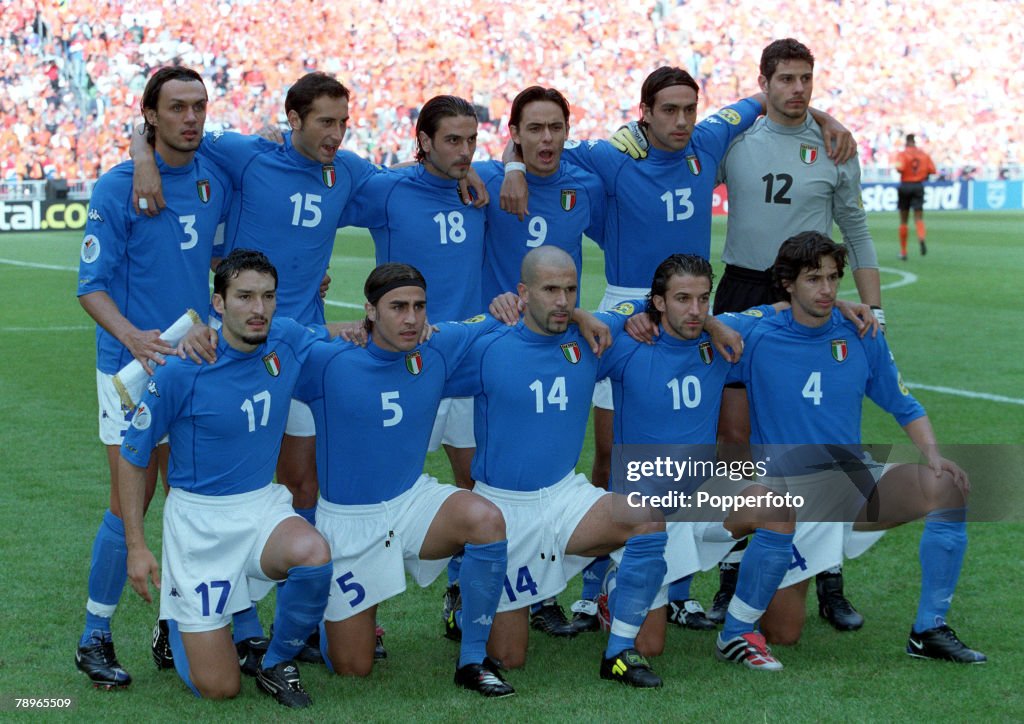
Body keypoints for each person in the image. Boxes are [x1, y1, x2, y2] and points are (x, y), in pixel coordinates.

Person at [131, 71, 383, 659]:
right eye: (325, 121)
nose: (337, 134)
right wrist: (143, 155)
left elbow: (420, 177)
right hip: (236, 351)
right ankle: (188, 617)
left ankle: (307, 616)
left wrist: (506, 162)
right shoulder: (247, 152)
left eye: (344, 122)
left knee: (303, 482)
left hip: (302, 348)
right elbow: (168, 128)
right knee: (225, 487)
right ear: (291, 120)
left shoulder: (349, 171)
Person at [599, 253, 876, 663]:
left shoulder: (723, 334)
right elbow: (570, 323)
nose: (695, 311)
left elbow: (787, 308)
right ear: (658, 302)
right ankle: (616, 586)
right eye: (681, 299)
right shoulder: (627, 344)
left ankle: (738, 632)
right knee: (648, 648)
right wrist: (628, 314)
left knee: (774, 506)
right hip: (644, 514)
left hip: (700, 498)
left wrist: (839, 303)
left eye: (703, 299)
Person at [734, 231, 985, 666]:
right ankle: (771, 568)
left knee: (947, 488)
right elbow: (692, 329)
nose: (828, 290)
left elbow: (904, 404)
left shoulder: (861, 333)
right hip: (788, 494)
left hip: (853, 482)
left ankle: (929, 629)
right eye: (814, 279)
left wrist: (932, 454)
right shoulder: (755, 335)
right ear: (787, 283)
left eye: (833, 278)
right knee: (783, 634)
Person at [710, 38, 884, 631]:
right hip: (743, 290)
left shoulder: (835, 146)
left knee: (823, 436)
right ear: (763, 82)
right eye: (785, 78)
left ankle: (829, 574)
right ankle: (738, 563)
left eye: (806, 78)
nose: (798, 89)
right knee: (736, 436)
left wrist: (875, 312)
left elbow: (856, 230)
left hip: (812, 296)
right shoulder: (734, 140)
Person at [119, 250, 339, 709]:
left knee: (314, 554)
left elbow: (332, 335)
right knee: (219, 689)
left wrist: (366, 327)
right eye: (244, 297)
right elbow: (133, 455)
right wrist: (137, 547)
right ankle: (173, 623)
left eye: (267, 297)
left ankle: (277, 661)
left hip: (261, 508)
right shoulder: (181, 369)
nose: (258, 309)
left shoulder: (287, 339)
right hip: (199, 525)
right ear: (218, 304)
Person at [446, 246, 668, 688]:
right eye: (550, 290)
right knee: (508, 659)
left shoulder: (590, 341)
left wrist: (590, 315)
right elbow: (418, 347)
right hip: (503, 509)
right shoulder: (488, 348)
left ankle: (619, 652)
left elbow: (644, 302)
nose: (563, 300)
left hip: (566, 497)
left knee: (645, 518)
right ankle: (466, 597)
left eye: (570, 290)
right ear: (523, 293)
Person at [75, 65, 231, 689]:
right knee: (128, 504)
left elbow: (217, 260)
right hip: (132, 371)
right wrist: (134, 337)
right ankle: (94, 634)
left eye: (199, 106)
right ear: (151, 115)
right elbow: (90, 288)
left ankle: (173, 625)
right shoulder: (117, 188)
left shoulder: (213, 179)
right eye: (177, 108)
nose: (190, 118)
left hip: (193, 368)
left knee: (188, 497)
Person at [293, 263, 517, 696]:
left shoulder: (437, 346)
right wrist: (333, 327)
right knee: (352, 668)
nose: (412, 319)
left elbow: (504, 319)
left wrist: (505, 304)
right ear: (371, 312)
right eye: (398, 307)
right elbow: (270, 345)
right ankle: (321, 615)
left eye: (419, 307)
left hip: (412, 502)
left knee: (486, 519)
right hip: (349, 521)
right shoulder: (329, 360)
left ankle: (472, 660)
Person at [469, 85, 606, 637]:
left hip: (560, 337)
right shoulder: (484, 178)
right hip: (498, 342)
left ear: (567, 133)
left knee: (555, 460)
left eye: (556, 128)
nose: (546, 138)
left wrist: (580, 314)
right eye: (534, 129)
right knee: (483, 477)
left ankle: (544, 590)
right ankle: (471, 593)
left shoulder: (587, 183)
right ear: (515, 135)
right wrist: (509, 168)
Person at [338, 95, 485, 493]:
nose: (465, 151)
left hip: (467, 352)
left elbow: (524, 149)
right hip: (404, 351)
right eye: (453, 140)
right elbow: (315, 215)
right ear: (424, 140)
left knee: (478, 482)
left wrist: (499, 169)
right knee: (385, 477)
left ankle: (469, 555)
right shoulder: (387, 189)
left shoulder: (481, 184)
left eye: (471, 140)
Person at [894, 133, 937, 259]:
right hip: (918, 186)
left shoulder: (902, 154)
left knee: (903, 220)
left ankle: (903, 252)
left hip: (905, 185)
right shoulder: (924, 155)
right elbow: (933, 170)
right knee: (918, 217)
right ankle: (921, 237)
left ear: (906, 142)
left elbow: (899, 168)